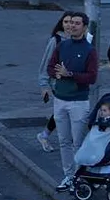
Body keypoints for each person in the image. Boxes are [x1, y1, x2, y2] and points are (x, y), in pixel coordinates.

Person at [42, 13, 99, 188]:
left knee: (78, 141)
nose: (72, 26)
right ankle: (68, 175)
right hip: (60, 100)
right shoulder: (62, 46)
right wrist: (57, 74)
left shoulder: (90, 51)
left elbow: (92, 77)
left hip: (78, 102)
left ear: (84, 27)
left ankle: (79, 176)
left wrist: (70, 75)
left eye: (77, 23)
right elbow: (50, 67)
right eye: (71, 23)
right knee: (63, 141)